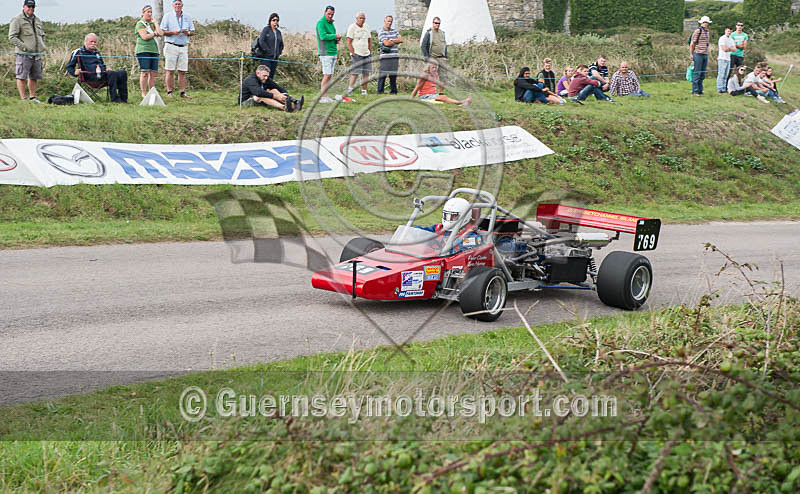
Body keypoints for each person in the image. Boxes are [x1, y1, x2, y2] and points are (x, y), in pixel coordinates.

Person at [67, 33, 129, 103]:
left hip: (102, 75)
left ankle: (123, 100)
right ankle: (115, 100)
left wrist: (106, 69)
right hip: (90, 77)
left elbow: (101, 64)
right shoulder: (78, 52)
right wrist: (75, 73)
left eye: (95, 42)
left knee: (122, 72)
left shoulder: (96, 52)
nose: (93, 43)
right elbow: (69, 67)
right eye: (91, 42)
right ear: (85, 42)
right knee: (112, 74)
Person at [416, 197, 482, 255]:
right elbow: (420, 231)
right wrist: (410, 230)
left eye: (453, 216)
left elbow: (458, 256)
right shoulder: (438, 228)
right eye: (446, 215)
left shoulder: (471, 237)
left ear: (464, 216)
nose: (449, 219)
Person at [9, 0, 46, 103]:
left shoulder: (37, 20)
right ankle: (23, 99)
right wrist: (24, 47)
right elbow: (12, 37)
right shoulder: (17, 20)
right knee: (21, 76)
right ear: (24, 6)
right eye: (29, 6)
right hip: (23, 54)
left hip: (37, 54)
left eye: (33, 6)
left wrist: (42, 46)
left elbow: (42, 35)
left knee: (34, 76)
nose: (31, 8)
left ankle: (33, 97)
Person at [160, 0, 195, 99]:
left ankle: (182, 92)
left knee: (182, 71)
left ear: (182, 5)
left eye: (179, 4)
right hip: (171, 45)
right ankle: (169, 92)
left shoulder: (187, 17)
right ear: (173, 5)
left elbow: (193, 31)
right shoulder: (167, 16)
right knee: (170, 70)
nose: (178, 6)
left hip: (183, 46)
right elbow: (162, 31)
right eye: (176, 4)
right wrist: (173, 32)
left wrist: (187, 33)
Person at [136, 5, 162, 98]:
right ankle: (143, 93)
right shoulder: (140, 24)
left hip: (154, 50)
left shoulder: (152, 24)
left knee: (153, 73)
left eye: (151, 12)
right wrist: (154, 33)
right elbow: (144, 37)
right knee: (144, 72)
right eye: (148, 12)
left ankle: (152, 92)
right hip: (143, 50)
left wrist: (156, 23)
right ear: (143, 13)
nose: (150, 14)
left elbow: (161, 33)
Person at [316, 5, 341, 103]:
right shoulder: (321, 23)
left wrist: (336, 40)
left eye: (332, 14)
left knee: (330, 75)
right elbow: (323, 36)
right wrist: (335, 35)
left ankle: (326, 96)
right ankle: (322, 97)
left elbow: (330, 37)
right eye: (329, 14)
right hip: (325, 53)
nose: (330, 16)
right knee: (326, 75)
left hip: (333, 52)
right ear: (325, 13)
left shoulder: (331, 23)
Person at [346, 12, 371, 96]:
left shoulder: (367, 27)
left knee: (366, 73)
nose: (362, 20)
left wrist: (370, 50)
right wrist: (353, 53)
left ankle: (364, 91)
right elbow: (348, 41)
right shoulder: (352, 27)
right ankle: (350, 89)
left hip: (366, 53)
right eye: (360, 18)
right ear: (356, 19)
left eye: (363, 18)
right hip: (357, 53)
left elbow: (369, 40)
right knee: (355, 73)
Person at [377, 15, 403, 95]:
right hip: (385, 57)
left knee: (393, 76)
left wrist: (391, 40)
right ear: (384, 21)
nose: (390, 23)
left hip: (394, 56)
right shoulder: (381, 31)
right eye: (388, 21)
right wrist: (395, 41)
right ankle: (380, 92)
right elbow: (386, 43)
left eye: (391, 21)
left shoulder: (394, 31)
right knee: (382, 75)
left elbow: (401, 40)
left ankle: (393, 91)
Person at [256, 13, 283, 80]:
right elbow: (261, 41)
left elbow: (281, 44)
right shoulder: (266, 29)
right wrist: (268, 51)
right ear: (270, 21)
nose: (275, 22)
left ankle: (269, 89)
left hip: (275, 58)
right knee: (265, 75)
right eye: (274, 20)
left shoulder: (278, 32)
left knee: (271, 75)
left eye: (277, 20)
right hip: (266, 57)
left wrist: (279, 52)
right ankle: (262, 89)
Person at [690, 16, 712, 96]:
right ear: (701, 23)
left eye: (707, 23)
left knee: (702, 73)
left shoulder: (707, 32)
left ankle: (700, 90)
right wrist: (691, 54)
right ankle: (695, 90)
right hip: (698, 53)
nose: (706, 24)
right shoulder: (697, 31)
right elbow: (692, 43)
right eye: (704, 22)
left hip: (705, 54)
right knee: (697, 72)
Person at [717, 26, 736, 94]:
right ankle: (719, 88)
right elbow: (724, 49)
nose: (729, 32)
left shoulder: (731, 39)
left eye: (730, 31)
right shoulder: (722, 38)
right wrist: (730, 48)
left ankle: (724, 88)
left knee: (726, 75)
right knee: (721, 74)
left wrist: (729, 48)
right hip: (722, 58)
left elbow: (735, 49)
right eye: (728, 31)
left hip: (728, 59)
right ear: (725, 31)